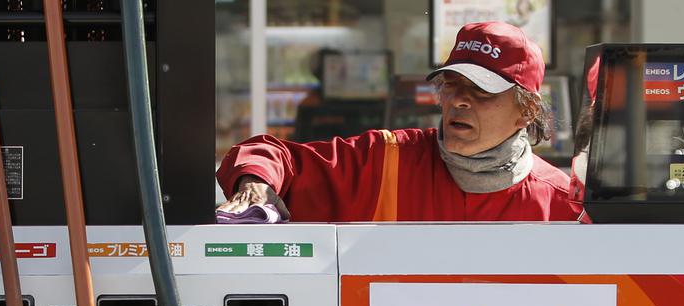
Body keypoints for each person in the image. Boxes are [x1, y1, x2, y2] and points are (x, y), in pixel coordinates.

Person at [216, 21, 585, 223]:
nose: (459, 100)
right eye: (451, 84)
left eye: (481, 91)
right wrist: (255, 185)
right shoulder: (385, 160)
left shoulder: (562, 204)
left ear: (527, 111)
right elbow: (270, 153)